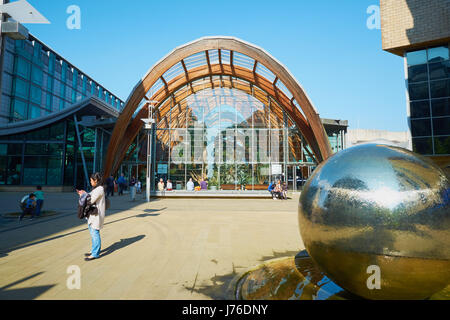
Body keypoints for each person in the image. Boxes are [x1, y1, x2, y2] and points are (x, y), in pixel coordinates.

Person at [77, 172, 106, 261]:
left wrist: (83, 195)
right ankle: (94, 250)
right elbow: (89, 195)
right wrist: (84, 193)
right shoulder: (96, 189)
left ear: (96, 180)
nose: (90, 182)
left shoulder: (99, 189)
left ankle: (95, 253)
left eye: (91, 180)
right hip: (92, 215)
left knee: (95, 234)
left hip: (96, 215)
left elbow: (91, 200)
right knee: (93, 233)